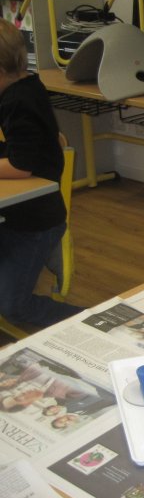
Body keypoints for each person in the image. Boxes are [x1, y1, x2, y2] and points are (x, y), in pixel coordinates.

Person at [0, 18, 83, 326]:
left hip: (33, 223)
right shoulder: (24, 85)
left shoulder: (19, 101)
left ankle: (90, 321)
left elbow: (21, 167)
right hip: (16, 216)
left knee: (13, 307)